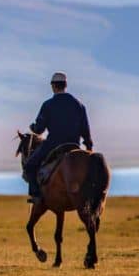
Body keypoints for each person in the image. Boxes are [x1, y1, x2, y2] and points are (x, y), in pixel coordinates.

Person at [23, 72, 93, 203]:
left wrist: (33, 127)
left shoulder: (48, 105)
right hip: (74, 145)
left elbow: (39, 129)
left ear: (53, 86)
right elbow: (85, 129)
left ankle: (36, 195)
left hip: (53, 145)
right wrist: (89, 146)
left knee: (30, 165)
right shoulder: (79, 105)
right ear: (65, 85)